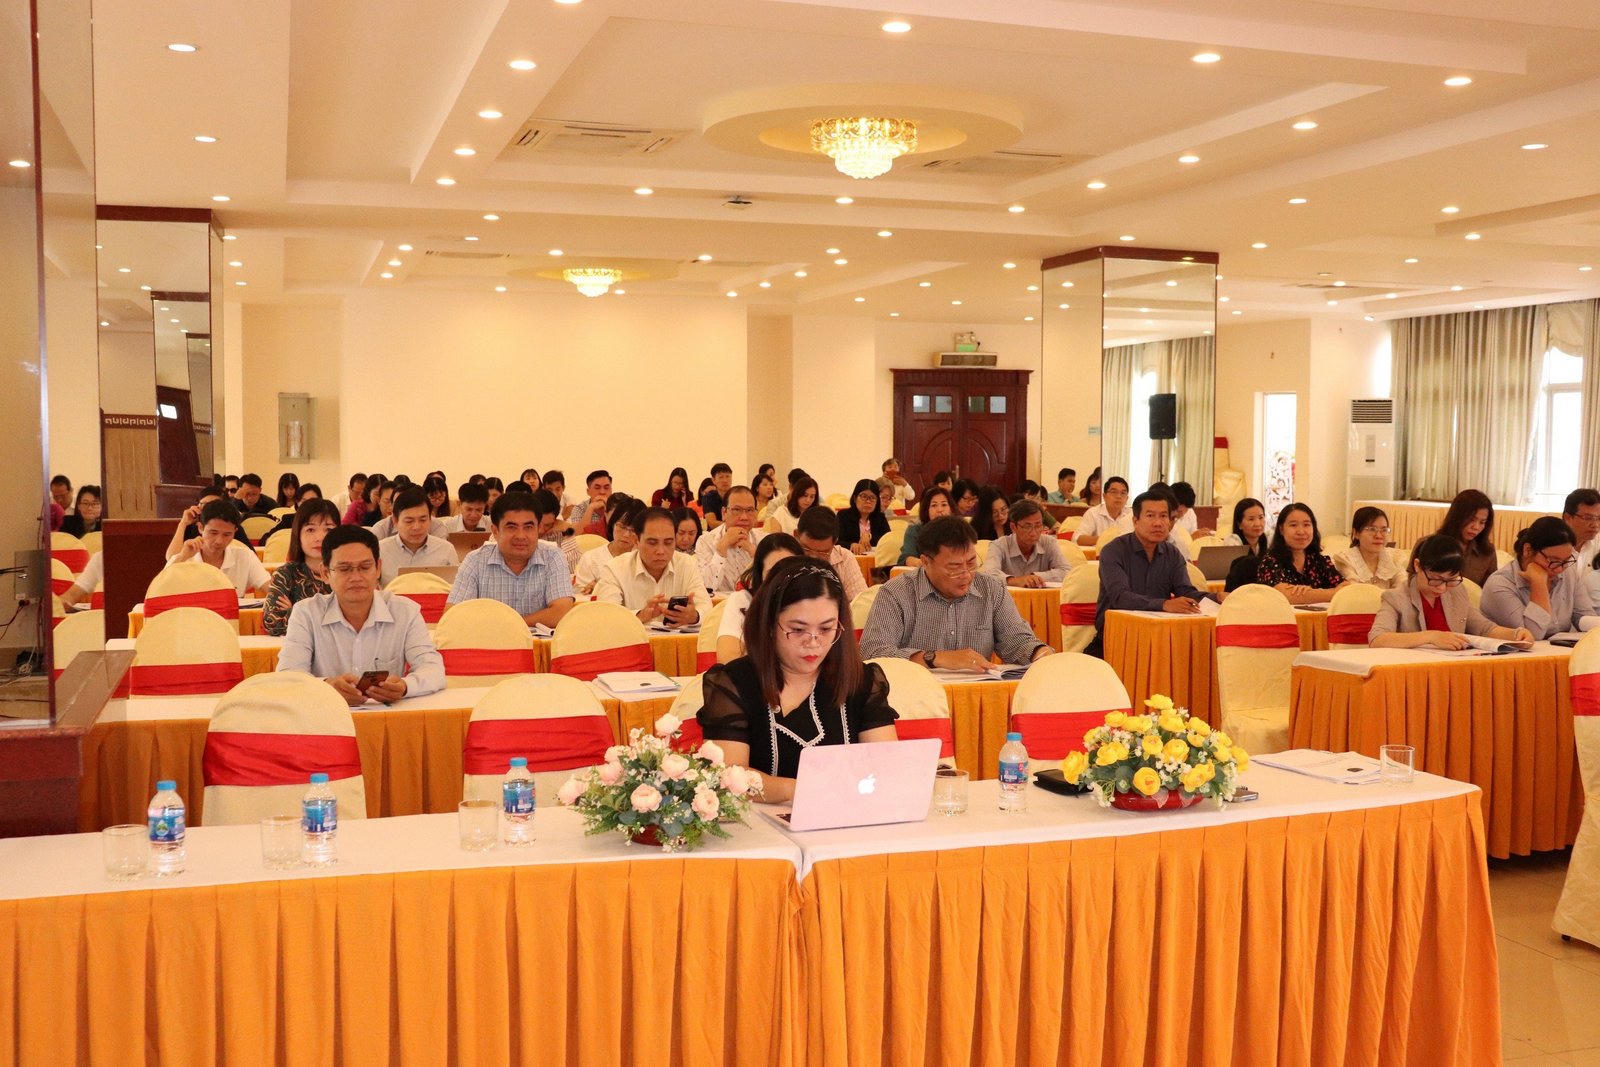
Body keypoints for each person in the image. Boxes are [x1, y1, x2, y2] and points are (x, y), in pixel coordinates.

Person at [697, 557, 900, 804]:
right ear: (769, 624)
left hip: (847, 819)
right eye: (798, 629)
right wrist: (804, 790)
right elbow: (729, 777)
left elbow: (886, 767)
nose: (813, 642)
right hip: (760, 824)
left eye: (826, 629)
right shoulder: (734, 683)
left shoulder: (862, 681)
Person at [859, 516, 1053, 669]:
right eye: (954, 567)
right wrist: (934, 658)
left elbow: (1017, 640)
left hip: (976, 693)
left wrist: (1040, 654)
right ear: (925, 562)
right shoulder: (896, 593)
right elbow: (873, 651)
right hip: (917, 698)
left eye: (971, 563)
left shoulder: (991, 589)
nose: (966, 575)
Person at [278, 525, 444, 704]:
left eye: (365, 567)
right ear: (325, 573)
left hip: (386, 715)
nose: (356, 577)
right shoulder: (306, 613)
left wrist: (405, 687)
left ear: (378, 568)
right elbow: (288, 674)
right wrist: (325, 686)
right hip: (326, 715)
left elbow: (433, 669)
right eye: (344, 569)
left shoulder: (405, 611)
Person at [1370, 535, 1534, 649]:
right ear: (1418, 566)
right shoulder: (1396, 597)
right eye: (1436, 579)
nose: (1442, 588)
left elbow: (1484, 628)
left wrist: (1516, 634)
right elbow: (1377, 638)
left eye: (1450, 580)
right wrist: (1431, 637)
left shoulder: (1456, 591)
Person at [1094, 491, 1214, 647]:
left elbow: (1186, 592)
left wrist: (1217, 597)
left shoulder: (1172, 553)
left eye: (1163, 516)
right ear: (1135, 521)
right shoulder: (1113, 551)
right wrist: (1164, 604)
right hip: (1116, 638)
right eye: (1150, 516)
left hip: (1160, 636)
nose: (1158, 523)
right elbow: (1120, 597)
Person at [448, 491, 575, 627]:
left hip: (536, 641)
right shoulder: (475, 560)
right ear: (495, 531)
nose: (521, 536)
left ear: (538, 529)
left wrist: (509, 626)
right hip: (490, 638)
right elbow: (453, 615)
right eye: (511, 527)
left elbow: (561, 612)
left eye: (528, 527)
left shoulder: (553, 557)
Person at [1481, 517, 1598, 639]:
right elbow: (1531, 636)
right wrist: (1539, 584)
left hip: (1559, 649)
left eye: (1566, 561)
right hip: (1517, 651)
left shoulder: (1569, 573)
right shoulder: (1499, 584)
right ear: (1527, 550)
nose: (1560, 569)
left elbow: (1584, 617)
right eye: (1553, 560)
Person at [593, 507, 710, 628]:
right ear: (636, 541)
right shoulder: (615, 569)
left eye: (668, 543)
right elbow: (607, 615)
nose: (661, 551)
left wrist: (694, 616)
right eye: (652, 543)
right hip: (633, 639)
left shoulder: (687, 564)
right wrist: (640, 616)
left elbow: (707, 608)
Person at [715, 533, 802, 663]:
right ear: (760, 574)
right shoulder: (743, 601)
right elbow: (727, 660)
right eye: (772, 573)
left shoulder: (813, 602)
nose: (780, 579)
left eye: (789, 572)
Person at [262, 499, 340, 636]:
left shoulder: (346, 573)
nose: (320, 537)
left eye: (328, 529)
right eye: (310, 530)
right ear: (298, 534)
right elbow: (273, 624)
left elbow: (354, 620)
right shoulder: (285, 574)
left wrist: (296, 611)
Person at [164, 498, 271, 595]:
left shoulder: (245, 556)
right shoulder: (185, 556)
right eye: (213, 533)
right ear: (201, 528)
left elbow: (270, 589)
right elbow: (161, 588)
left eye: (227, 534)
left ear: (235, 532)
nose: (219, 541)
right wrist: (182, 557)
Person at [1256, 502, 1347, 604]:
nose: (1301, 531)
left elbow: (1346, 589)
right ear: (1281, 529)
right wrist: (1333, 592)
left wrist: (1310, 593)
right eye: (1293, 525)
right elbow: (1286, 595)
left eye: (1306, 525)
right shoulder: (1270, 561)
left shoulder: (1319, 560)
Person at [378, 486, 458, 584]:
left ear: (430, 519)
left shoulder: (446, 550)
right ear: (395, 521)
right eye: (409, 521)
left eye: (423, 520)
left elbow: (455, 589)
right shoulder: (380, 550)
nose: (417, 527)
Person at [981, 499, 1070, 587]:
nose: (1033, 533)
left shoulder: (1049, 542)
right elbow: (989, 574)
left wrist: (1035, 577)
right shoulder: (999, 545)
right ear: (1013, 527)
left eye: (1038, 525)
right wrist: (1014, 581)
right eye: (1027, 527)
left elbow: (1066, 571)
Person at [696, 484, 763, 593]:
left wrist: (755, 553)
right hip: (719, 603)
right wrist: (722, 548)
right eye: (737, 510)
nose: (744, 517)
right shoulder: (706, 541)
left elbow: (772, 585)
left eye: (750, 510)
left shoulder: (763, 540)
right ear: (724, 513)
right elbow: (706, 587)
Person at [574, 496, 646, 595]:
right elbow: (580, 597)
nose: (626, 534)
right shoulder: (591, 559)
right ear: (612, 524)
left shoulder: (646, 559)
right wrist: (596, 590)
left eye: (633, 530)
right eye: (621, 526)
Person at [794, 506, 868, 601]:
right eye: (807, 549)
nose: (813, 557)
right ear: (796, 535)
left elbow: (860, 603)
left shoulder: (844, 558)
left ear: (834, 543)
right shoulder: (785, 555)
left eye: (822, 552)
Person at [1332, 506, 1406, 589]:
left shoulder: (1394, 557)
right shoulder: (1345, 560)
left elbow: (1403, 589)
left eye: (1384, 530)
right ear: (1356, 533)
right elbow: (1354, 591)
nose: (1379, 536)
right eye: (1372, 529)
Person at [1436, 489, 1499, 587]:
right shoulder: (1428, 545)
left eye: (1482, 522)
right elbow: (1414, 585)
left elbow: (1490, 589)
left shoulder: (1487, 552)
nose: (1476, 527)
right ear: (1456, 517)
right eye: (1471, 519)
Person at [1222, 497, 1270, 592]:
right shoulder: (1233, 541)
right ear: (1239, 524)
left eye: (1261, 517)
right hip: (1241, 589)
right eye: (1251, 519)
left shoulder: (1268, 539)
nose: (1258, 523)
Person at [898, 486, 952, 566]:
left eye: (944, 505)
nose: (940, 510)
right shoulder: (915, 530)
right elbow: (907, 558)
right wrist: (929, 565)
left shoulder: (958, 530)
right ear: (926, 510)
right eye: (934, 505)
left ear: (951, 508)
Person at [837, 478, 890, 553]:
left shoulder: (880, 518)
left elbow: (887, 540)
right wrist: (851, 545)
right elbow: (836, 542)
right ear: (855, 498)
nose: (868, 501)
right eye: (864, 496)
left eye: (872, 498)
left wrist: (869, 536)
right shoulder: (843, 516)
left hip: (874, 558)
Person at [1075, 476, 1132, 545]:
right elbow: (1078, 539)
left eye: (1123, 493)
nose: (1119, 496)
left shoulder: (1132, 515)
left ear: (1127, 498)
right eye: (1114, 492)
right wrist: (1105, 539)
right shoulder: (1093, 513)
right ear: (1104, 496)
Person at [564, 470, 613, 537]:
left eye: (606, 488)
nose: (602, 492)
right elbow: (579, 536)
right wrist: (590, 508)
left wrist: (607, 509)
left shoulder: (618, 506)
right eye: (597, 488)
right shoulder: (579, 508)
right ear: (588, 491)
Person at [701, 463, 735, 527]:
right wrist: (733, 526)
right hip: (716, 532)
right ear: (713, 480)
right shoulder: (708, 498)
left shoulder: (737, 495)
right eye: (721, 477)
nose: (725, 480)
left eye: (728, 476)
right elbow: (712, 523)